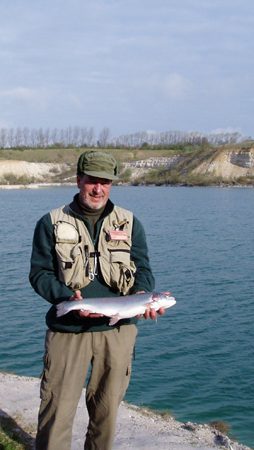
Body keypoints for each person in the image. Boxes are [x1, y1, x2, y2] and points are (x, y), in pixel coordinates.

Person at [29, 150, 165, 450]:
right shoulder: (50, 222)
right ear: (79, 180)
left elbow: (143, 270)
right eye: (92, 181)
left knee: (106, 415)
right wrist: (67, 298)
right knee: (56, 413)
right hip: (68, 332)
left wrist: (144, 298)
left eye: (105, 183)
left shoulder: (130, 223)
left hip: (118, 333)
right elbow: (39, 274)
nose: (98, 189)